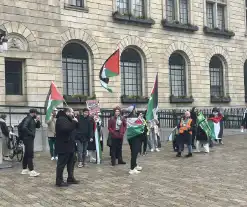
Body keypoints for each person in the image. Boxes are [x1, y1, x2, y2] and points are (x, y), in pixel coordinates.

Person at [55, 108, 79, 187]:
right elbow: (66, 129)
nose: (73, 114)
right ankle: (59, 180)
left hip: (70, 145)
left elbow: (75, 128)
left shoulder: (68, 119)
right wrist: (73, 122)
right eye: (72, 112)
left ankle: (70, 178)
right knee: (61, 164)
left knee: (72, 162)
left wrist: (75, 122)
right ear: (67, 112)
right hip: (63, 145)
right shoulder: (61, 119)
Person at [20, 109, 41, 177]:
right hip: (28, 138)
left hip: (28, 138)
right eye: (36, 114)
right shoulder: (28, 118)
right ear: (34, 113)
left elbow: (37, 126)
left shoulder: (31, 119)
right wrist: (31, 133)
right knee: (30, 154)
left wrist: (38, 120)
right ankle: (31, 171)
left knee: (27, 153)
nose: (37, 115)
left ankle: (24, 169)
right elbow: (24, 127)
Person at [127, 105, 143, 175]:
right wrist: (140, 119)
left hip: (130, 137)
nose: (136, 109)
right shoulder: (133, 118)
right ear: (133, 110)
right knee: (134, 153)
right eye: (135, 108)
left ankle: (135, 165)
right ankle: (132, 168)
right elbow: (141, 126)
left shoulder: (128, 117)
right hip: (135, 137)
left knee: (133, 152)